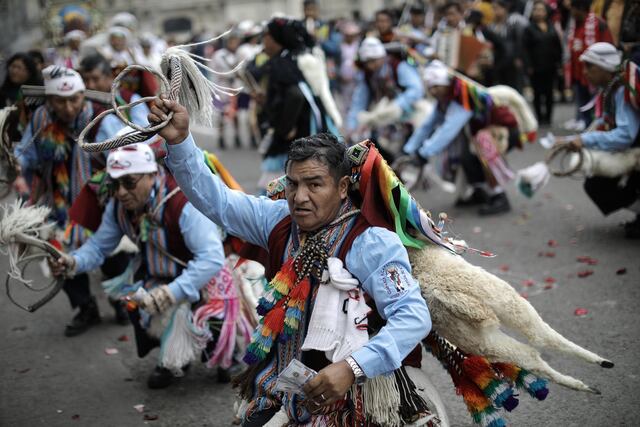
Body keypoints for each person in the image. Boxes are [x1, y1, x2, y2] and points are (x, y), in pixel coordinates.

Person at [148, 97, 432, 426]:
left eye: (314, 184)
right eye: (294, 184)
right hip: (279, 388)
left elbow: (412, 317)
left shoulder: (371, 243)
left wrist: (352, 367)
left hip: (350, 399)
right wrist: (180, 141)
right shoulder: (278, 219)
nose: (299, 197)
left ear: (342, 188)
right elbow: (219, 202)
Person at [49, 143, 227, 388]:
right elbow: (100, 246)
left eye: (129, 182)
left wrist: (170, 293)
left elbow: (212, 258)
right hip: (161, 275)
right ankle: (174, 355)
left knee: (217, 323)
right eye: (115, 184)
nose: (121, 192)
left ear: (153, 175)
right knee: (136, 300)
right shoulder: (119, 207)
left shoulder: (183, 202)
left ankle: (227, 353)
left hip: (211, 277)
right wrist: (73, 262)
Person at [13, 65, 127, 335]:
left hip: (100, 201)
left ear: (83, 96)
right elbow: (25, 152)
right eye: (60, 101)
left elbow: (124, 152)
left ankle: (121, 301)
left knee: (114, 255)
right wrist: (18, 170)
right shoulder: (40, 118)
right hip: (57, 200)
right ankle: (84, 306)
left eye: (74, 99)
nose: (68, 107)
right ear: (49, 101)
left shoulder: (102, 119)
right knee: (60, 257)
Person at [403, 60, 517, 215]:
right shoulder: (445, 99)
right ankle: (480, 191)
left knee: (480, 149)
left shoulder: (462, 97)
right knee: (466, 157)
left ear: (446, 83)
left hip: (503, 131)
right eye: (431, 87)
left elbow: (447, 130)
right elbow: (427, 125)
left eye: (437, 86)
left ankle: (499, 196)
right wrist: (409, 149)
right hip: (479, 134)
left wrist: (423, 153)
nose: (434, 91)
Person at [247, 17, 338, 190]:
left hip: (294, 138)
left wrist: (285, 128)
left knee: (280, 190)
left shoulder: (281, 63)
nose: (263, 41)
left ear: (275, 39)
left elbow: (295, 95)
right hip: (306, 132)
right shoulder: (290, 59)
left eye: (266, 36)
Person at [563, 43, 640, 237]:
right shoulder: (612, 87)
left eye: (589, 67)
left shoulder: (622, 87)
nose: (585, 73)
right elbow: (603, 121)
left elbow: (625, 135)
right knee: (597, 184)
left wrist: (586, 141)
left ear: (602, 66)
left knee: (598, 185)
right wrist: (574, 139)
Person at [345, 37, 424, 157]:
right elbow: (359, 101)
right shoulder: (367, 75)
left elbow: (417, 89)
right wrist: (351, 126)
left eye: (373, 61)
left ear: (382, 57)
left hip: (408, 117)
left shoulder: (397, 66)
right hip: (384, 124)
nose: (370, 65)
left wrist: (397, 105)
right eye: (367, 62)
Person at [565, 0, 613, 131]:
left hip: (595, 71)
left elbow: (608, 45)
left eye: (574, 9)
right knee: (581, 97)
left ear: (581, 9)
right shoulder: (574, 24)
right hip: (578, 70)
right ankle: (584, 121)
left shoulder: (598, 23)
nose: (572, 13)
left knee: (595, 99)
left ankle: (595, 124)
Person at [78, 53, 150, 141]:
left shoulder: (132, 100)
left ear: (110, 77)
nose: (90, 85)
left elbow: (147, 136)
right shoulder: (79, 104)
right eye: (85, 80)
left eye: (95, 79)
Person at [523, 0, 563, 125]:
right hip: (535, 66)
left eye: (541, 10)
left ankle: (548, 118)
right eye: (536, 10)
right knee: (537, 93)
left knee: (550, 92)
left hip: (550, 65)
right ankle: (539, 118)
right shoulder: (529, 29)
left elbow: (557, 46)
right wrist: (528, 65)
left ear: (546, 12)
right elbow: (525, 49)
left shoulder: (552, 26)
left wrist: (560, 63)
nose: (538, 13)